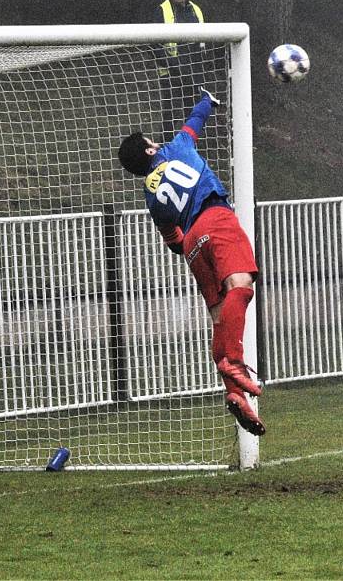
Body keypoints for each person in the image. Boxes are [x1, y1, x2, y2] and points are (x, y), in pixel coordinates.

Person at [117, 88, 265, 436]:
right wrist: (208, 101)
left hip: (193, 242)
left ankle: (233, 392)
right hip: (216, 216)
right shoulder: (177, 147)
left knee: (219, 315)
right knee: (240, 286)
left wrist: (191, 244)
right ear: (152, 149)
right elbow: (194, 123)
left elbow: (173, 242)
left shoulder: (151, 197)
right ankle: (232, 364)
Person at [153, 0, 207, 138]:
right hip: (171, 72)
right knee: (171, 114)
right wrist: (171, 63)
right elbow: (154, 44)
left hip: (193, 71)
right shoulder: (162, 10)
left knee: (192, 114)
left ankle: (191, 149)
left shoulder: (196, 10)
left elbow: (202, 41)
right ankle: (165, 150)